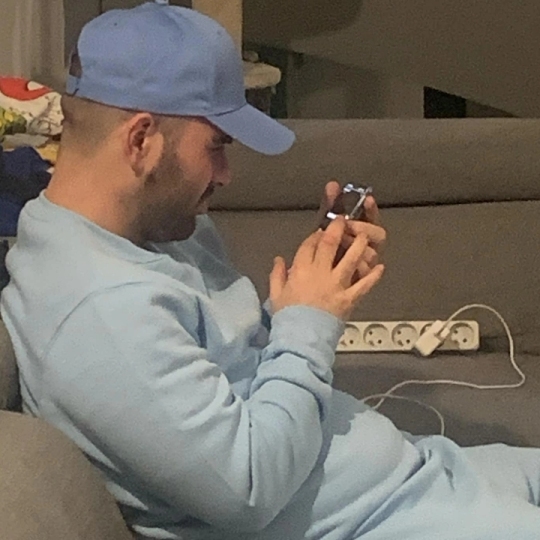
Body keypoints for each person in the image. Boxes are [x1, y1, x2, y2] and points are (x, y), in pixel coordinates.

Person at [1, 2, 540, 539]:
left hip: (419, 473)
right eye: (216, 146)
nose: (226, 175)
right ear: (140, 140)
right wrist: (308, 323)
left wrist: (312, 287)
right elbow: (248, 489)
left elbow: (239, 367)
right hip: (384, 520)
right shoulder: (98, 313)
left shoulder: (157, 234)